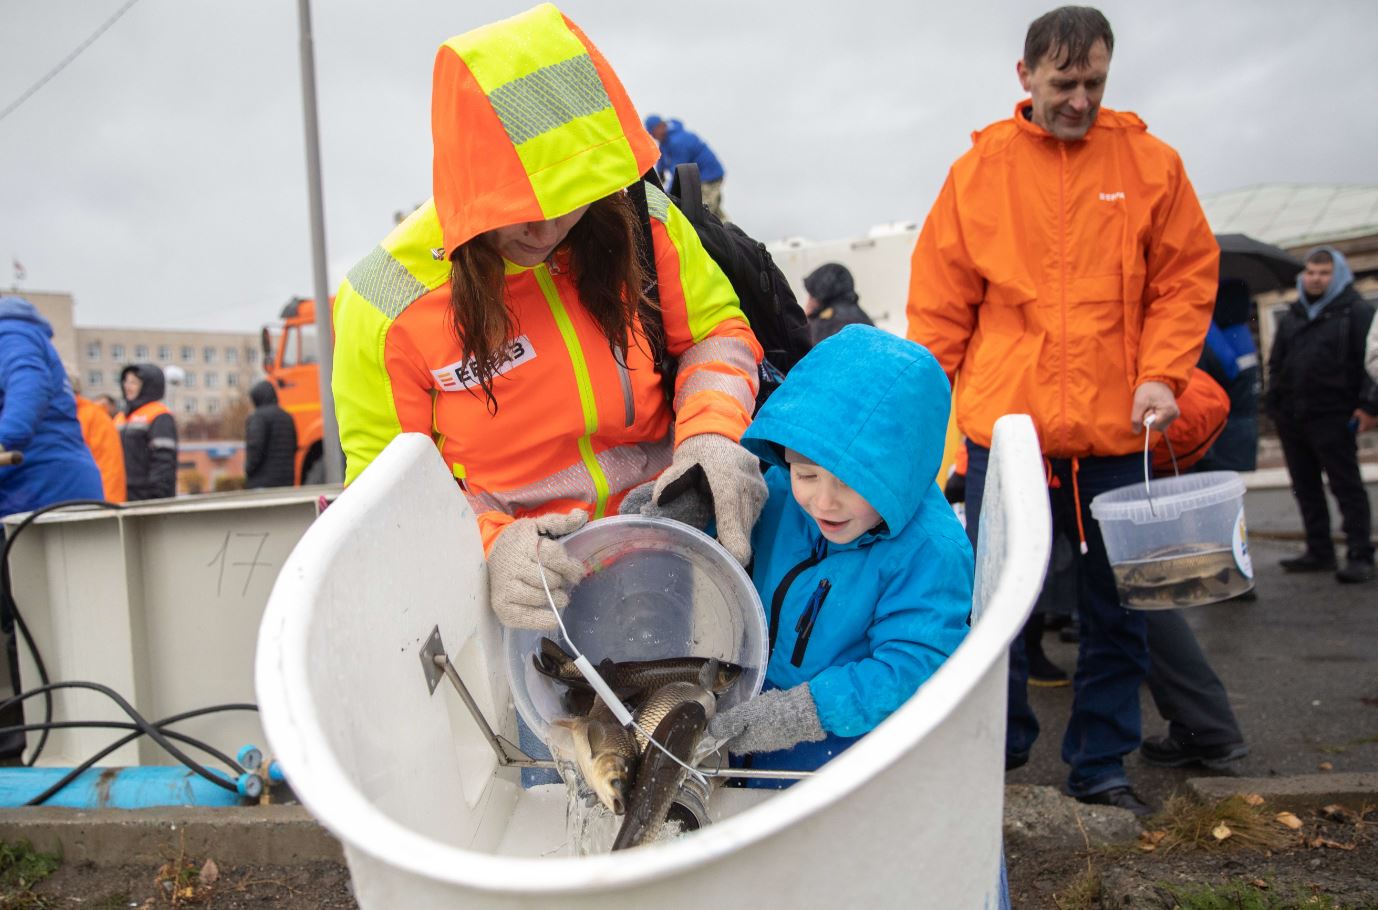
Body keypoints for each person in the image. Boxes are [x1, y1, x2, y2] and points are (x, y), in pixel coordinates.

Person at [331, 4, 766, 632]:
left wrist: (710, 437)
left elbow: (715, 336)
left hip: (671, 547)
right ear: (469, 184)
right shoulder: (385, 302)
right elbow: (386, 497)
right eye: (522, 209)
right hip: (525, 603)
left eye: (569, 202)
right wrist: (491, 546)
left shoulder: (640, 219)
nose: (548, 230)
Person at [907, 6, 1219, 815]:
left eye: (1094, 82)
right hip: (1006, 436)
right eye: (1063, 83)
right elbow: (940, 310)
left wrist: (1164, 375)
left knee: (1122, 608)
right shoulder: (977, 172)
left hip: (1120, 432)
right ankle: (996, 752)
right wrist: (922, 421)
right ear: (1025, 77)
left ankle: (1101, 765)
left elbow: (1184, 282)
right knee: (994, 605)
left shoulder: (1153, 163)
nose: (1079, 99)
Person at [708, 325, 972, 775]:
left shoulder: (932, 553)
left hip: (848, 738)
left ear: (899, 473)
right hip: (752, 699)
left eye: (851, 484)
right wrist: (684, 513)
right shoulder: (780, 492)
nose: (823, 502)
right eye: (806, 474)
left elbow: (910, 665)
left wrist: (803, 714)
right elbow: (723, 537)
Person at [1264, 247, 1378, 584]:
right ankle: (1319, 550)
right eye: (1311, 272)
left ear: (1338, 275)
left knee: (1346, 485)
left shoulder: (1355, 311)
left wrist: (1370, 406)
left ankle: (1360, 553)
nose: (1315, 278)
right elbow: (1277, 361)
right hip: (1293, 416)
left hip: (1335, 414)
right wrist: (1275, 403)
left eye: (1323, 272)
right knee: (1305, 486)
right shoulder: (1293, 314)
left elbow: (1371, 363)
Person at [0, 295, 104, 517]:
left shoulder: (10, 333)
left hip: (42, 492)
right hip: (29, 492)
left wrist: (3, 440)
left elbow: (29, 383)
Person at [1196, 279, 1260, 473]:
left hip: (1223, 436)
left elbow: (1215, 373)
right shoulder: (1241, 333)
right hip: (1243, 430)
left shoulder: (1219, 336)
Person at [643, 114, 727, 221]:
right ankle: (731, 232)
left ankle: (728, 234)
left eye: (653, 131)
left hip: (709, 177)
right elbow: (663, 157)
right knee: (716, 213)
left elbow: (679, 174)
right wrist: (660, 172)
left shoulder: (677, 142)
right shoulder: (665, 141)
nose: (653, 136)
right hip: (702, 177)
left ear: (661, 126)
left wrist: (666, 196)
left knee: (704, 213)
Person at [117, 364, 178, 501]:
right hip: (121, 494)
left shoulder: (159, 415)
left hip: (146, 497)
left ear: (148, 385)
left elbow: (163, 461)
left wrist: (158, 497)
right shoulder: (120, 417)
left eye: (134, 382)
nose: (127, 386)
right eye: (126, 381)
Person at [67, 368, 126, 503]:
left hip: (94, 502)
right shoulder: (85, 414)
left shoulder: (86, 416)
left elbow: (108, 467)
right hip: (92, 500)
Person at [244, 380, 298, 489]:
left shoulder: (258, 417)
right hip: (286, 482)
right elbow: (294, 446)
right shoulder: (287, 417)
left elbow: (255, 448)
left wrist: (248, 469)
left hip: (262, 483)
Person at [802, 263, 873, 344]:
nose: (809, 301)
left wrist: (807, 320)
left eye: (812, 296)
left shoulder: (827, 323)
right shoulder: (859, 315)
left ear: (822, 294)